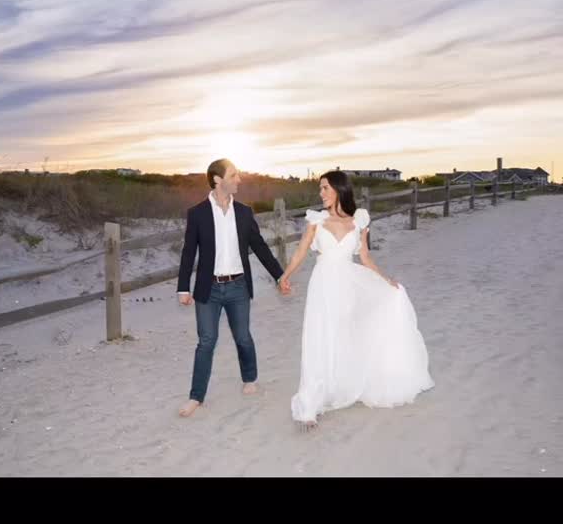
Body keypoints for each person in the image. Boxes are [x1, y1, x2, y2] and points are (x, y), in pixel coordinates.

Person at [281, 170, 434, 429]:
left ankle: (342, 385)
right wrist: (284, 276)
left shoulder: (359, 221)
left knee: (344, 335)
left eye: (325, 188)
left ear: (339, 189)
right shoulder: (316, 220)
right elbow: (300, 251)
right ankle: (310, 404)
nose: (321, 193)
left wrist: (387, 281)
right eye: (320, 189)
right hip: (322, 284)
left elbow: (364, 258)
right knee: (318, 338)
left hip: (347, 284)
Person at [177, 159, 290, 417]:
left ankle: (249, 378)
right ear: (217, 180)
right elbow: (188, 253)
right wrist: (183, 287)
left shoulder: (244, 212)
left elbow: (260, 247)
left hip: (238, 286)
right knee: (206, 341)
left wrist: (279, 276)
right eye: (234, 175)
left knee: (243, 337)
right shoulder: (197, 213)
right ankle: (196, 397)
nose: (239, 179)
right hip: (209, 289)